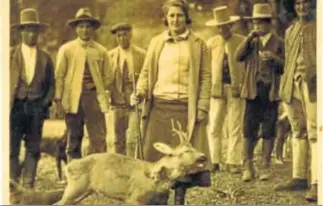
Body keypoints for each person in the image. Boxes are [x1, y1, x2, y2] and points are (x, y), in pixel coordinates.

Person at [131, 0, 212, 204]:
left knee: (183, 160)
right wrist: (140, 92)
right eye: (172, 16)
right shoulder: (156, 42)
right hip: (160, 108)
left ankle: (179, 199)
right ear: (166, 18)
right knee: (158, 160)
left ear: (186, 17)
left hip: (186, 109)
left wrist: (202, 106)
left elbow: (206, 77)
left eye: (180, 15)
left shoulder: (198, 44)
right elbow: (146, 72)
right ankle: (159, 199)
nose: (175, 20)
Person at [55, 8, 112, 162]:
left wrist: (96, 86)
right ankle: (74, 175)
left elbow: (108, 77)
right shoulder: (66, 49)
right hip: (73, 98)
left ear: (93, 28)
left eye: (88, 26)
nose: (85, 30)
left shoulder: (101, 51)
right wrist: (59, 99)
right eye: (81, 26)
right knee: (74, 137)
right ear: (76, 29)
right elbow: (59, 76)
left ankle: (98, 175)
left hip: (94, 98)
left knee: (98, 138)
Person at [235, 3, 284, 181]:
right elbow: (237, 56)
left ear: (269, 24)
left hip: (270, 92)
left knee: (269, 129)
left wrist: (274, 59)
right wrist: (248, 38)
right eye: (255, 23)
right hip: (252, 91)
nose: (257, 26)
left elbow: (285, 66)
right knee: (249, 129)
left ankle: (265, 166)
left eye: (261, 23)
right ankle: (247, 166)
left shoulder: (279, 42)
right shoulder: (251, 42)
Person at [275, 0, 317, 202]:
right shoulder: (290, 30)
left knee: (316, 133)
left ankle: (318, 182)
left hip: (315, 87)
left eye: (306, 2)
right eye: (298, 3)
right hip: (292, 86)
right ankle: (299, 176)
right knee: (298, 131)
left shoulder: (319, 27)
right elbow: (289, 61)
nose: (302, 7)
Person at [10, 8, 55, 190]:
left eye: (34, 30)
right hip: (15, 106)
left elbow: (52, 84)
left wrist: (45, 102)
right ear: (21, 32)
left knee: (33, 148)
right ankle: (12, 183)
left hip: (37, 107)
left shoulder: (45, 58)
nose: (31, 33)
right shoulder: (9, 54)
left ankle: (28, 183)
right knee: (11, 147)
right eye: (27, 29)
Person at [206, 6, 245, 174]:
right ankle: (214, 160)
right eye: (219, 26)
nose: (222, 29)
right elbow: (207, 68)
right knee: (214, 124)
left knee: (235, 124)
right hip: (217, 88)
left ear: (231, 25)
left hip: (236, 88)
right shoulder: (212, 43)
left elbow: (248, 65)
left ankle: (234, 161)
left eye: (225, 25)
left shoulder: (242, 41)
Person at [108, 23, 146, 157]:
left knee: (133, 138)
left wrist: (140, 94)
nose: (122, 38)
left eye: (125, 35)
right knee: (118, 139)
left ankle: (132, 165)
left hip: (135, 102)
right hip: (117, 103)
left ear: (131, 35)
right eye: (119, 36)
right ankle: (119, 167)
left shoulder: (141, 55)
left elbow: (146, 77)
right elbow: (106, 79)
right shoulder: (110, 56)